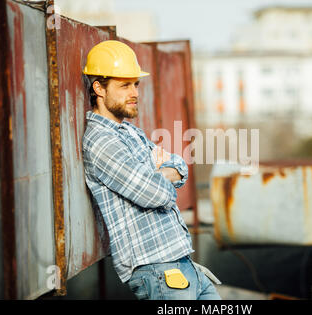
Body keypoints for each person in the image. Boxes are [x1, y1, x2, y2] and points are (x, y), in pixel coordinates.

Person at [81, 40, 221, 300]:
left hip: (183, 265)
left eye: (135, 84)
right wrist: (158, 171)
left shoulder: (130, 132)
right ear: (98, 88)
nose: (134, 92)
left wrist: (155, 172)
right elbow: (156, 194)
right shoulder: (101, 142)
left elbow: (180, 166)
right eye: (124, 85)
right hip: (159, 272)